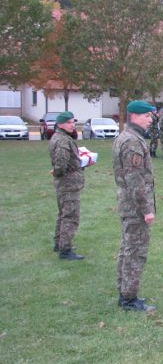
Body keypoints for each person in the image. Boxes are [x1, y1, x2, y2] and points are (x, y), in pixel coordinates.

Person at [112, 100, 157, 312]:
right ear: (135, 116)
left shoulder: (127, 137)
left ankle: (125, 292)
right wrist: (146, 209)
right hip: (135, 207)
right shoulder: (132, 142)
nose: (150, 120)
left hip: (128, 204)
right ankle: (129, 299)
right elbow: (135, 181)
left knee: (128, 248)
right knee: (135, 252)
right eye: (147, 116)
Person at [49, 111, 85, 260]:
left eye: (73, 122)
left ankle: (59, 243)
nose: (72, 125)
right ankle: (65, 249)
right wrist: (58, 171)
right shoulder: (63, 140)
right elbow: (61, 163)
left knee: (63, 214)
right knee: (70, 216)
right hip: (68, 184)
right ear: (60, 124)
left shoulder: (60, 137)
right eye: (69, 122)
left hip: (65, 183)